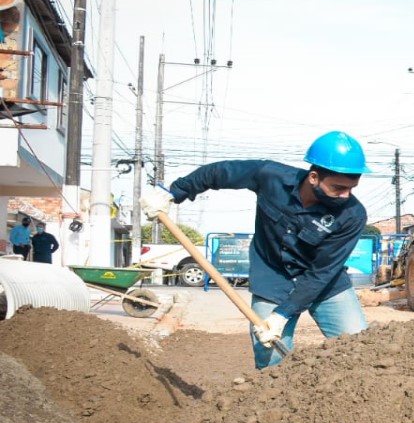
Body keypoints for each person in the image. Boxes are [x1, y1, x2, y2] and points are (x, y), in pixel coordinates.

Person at [140, 131, 372, 369]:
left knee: (360, 349)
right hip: (273, 279)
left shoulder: (352, 215)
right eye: (338, 188)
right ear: (314, 177)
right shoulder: (270, 177)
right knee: (269, 353)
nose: (346, 196)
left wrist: (283, 314)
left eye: (351, 188)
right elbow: (218, 173)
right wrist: (174, 192)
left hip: (325, 285)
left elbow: (322, 272)